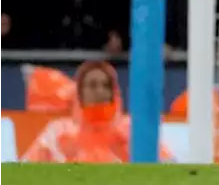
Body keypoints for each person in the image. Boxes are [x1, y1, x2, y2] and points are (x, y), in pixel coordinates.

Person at [23, 61, 173, 162]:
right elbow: (24, 170)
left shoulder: (132, 130)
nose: (100, 91)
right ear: (80, 92)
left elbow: (170, 167)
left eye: (106, 85)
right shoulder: (58, 132)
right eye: (92, 85)